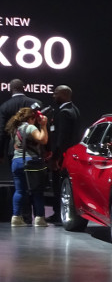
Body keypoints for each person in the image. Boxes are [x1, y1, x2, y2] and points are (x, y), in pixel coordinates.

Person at [6, 106, 49, 227]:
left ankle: (16, 218)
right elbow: (43, 139)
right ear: (31, 118)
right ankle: (39, 219)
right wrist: (43, 125)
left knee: (19, 191)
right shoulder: (30, 127)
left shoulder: (15, 129)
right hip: (31, 162)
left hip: (16, 162)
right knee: (37, 191)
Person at [45, 85, 81, 225]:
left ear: (64, 94)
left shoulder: (64, 113)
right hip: (69, 155)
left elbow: (61, 138)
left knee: (59, 186)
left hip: (62, 157)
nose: (53, 96)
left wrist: (55, 158)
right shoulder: (74, 109)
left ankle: (58, 214)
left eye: (56, 93)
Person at [1, 79, 42, 162]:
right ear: (24, 88)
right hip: (35, 148)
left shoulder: (4, 107)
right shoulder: (37, 103)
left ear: (10, 89)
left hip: (13, 149)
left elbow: (1, 131)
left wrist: (0, 153)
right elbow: (43, 126)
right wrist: (48, 149)